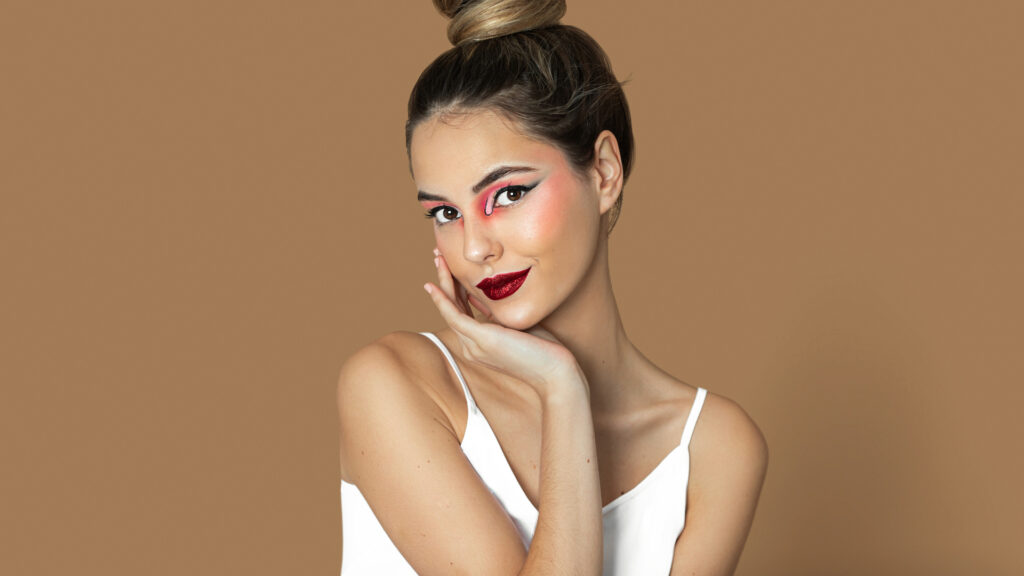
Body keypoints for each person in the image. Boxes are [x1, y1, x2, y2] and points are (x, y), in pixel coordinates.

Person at [336, 1, 768, 574]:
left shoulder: (712, 450)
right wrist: (563, 390)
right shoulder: (397, 385)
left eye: (508, 195)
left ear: (604, 172)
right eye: (445, 212)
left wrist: (562, 388)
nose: (473, 248)